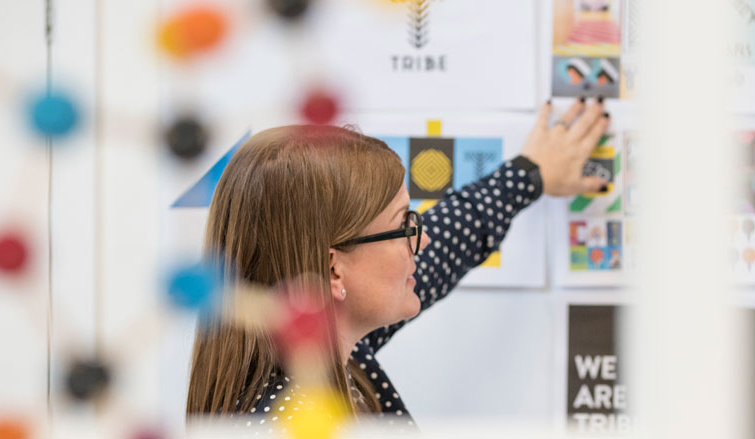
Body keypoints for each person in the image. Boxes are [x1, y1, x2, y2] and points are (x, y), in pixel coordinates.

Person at [185, 99, 611, 433]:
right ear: (334, 272)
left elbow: (447, 242)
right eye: (404, 226)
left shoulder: (320, 352)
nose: (421, 239)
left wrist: (528, 174)